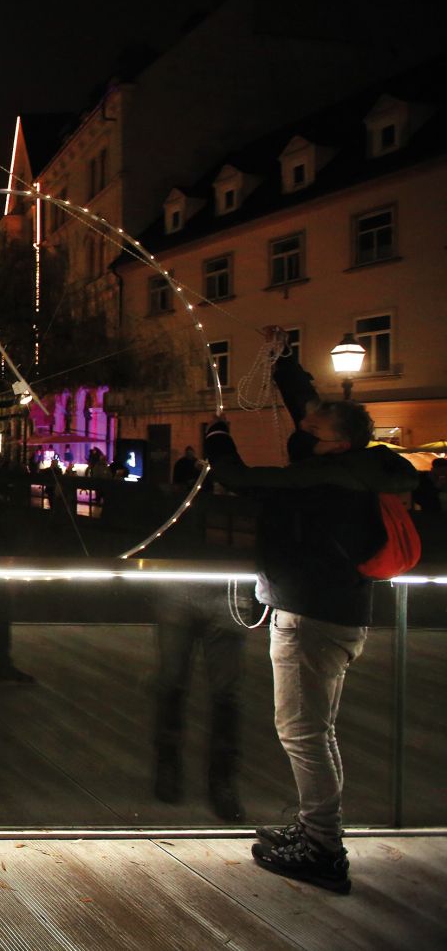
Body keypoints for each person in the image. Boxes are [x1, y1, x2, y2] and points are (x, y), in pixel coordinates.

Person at [204, 327, 418, 893]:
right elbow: (307, 408)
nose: (302, 427)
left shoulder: (324, 482)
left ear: (335, 444)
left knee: (302, 732)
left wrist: (218, 436)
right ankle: (316, 830)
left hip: (312, 620)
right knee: (313, 730)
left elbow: (241, 479)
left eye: (314, 428)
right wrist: (283, 361)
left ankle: (322, 848)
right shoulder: (354, 467)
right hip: (337, 614)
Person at [152, 583, 244, 820]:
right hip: (202, 586)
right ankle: (172, 768)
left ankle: (218, 779)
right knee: (173, 683)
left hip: (223, 588)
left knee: (223, 693)